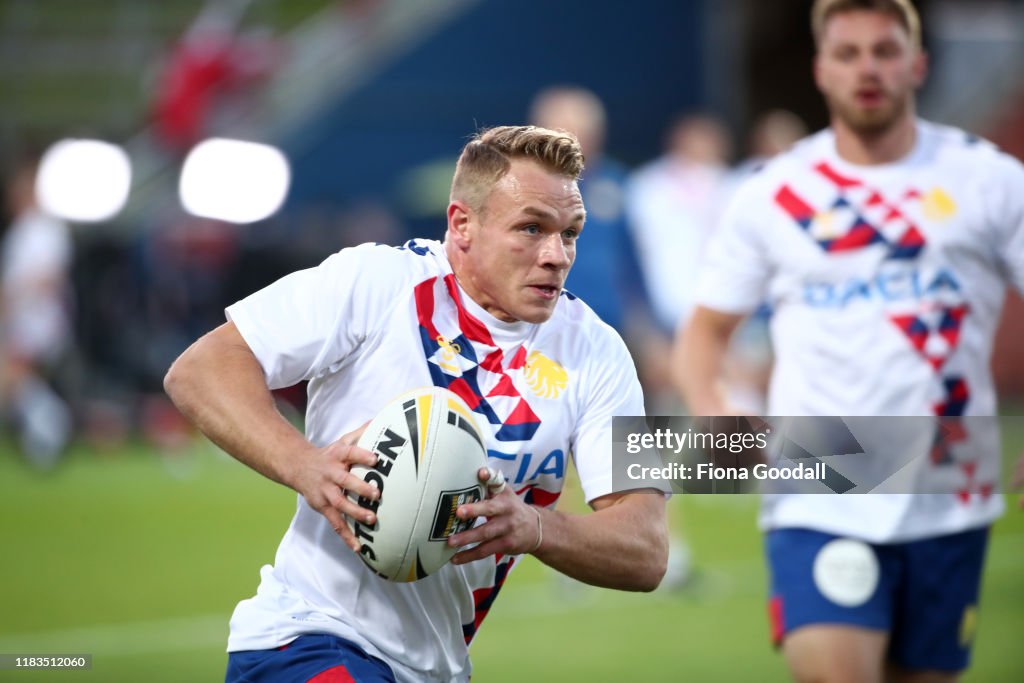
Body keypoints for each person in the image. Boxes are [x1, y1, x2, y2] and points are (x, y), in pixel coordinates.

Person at [165, 125, 668, 682]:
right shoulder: (375, 282)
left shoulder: (599, 352)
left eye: (570, 233)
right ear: (462, 224)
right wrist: (304, 465)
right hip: (308, 636)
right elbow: (201, 369)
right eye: (531, 228)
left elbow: (645, 547)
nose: (556, 255)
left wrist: (536, 527)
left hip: (438, 668)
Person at [673, 1, 1024, 682]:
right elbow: (704, 333)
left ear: (917, 64)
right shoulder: (775, 193)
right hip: (819, 480)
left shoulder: (990, 182)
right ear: (820, 70)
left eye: (885, 51)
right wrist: (713, 404)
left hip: (950, 483)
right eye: (849, 52)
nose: (868, 68)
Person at [1, 156, 74, 466]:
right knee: (15, 382)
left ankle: (51, 427)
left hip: (37, 320)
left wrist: (15, 300)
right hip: (23, 317)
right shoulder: (21, 231)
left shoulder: (45, 229)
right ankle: (43, 434)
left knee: (12, 378)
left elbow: (49, 276)